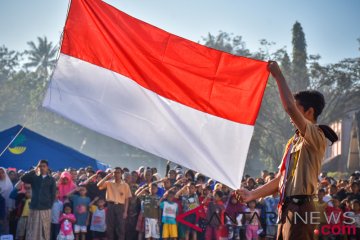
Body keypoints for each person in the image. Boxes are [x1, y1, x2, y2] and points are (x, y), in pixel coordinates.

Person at [238, 61, 332, 240]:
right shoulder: (293, 141)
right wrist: (252, 194)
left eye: (297, 108)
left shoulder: (316, 134)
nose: (290, 114)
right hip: (287, 208)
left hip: (302, 208)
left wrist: (278, 76)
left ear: (309, 112)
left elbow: (288, 107)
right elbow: (281, 179)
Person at [21, 159, 56, 240]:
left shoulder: (51, 179)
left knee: (45, 229)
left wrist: (49, 205)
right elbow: (23, 178)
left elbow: (53, 194)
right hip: (34, 207)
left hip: (46, 208)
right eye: (40, 166)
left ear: (47, 167)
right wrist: (34, 170)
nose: (42, 168)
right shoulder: (34, 177)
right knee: (32, 228)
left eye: (44, 166)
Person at [97, 167, 132, 240]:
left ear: (121, 173)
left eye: (118, 172)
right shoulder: (109, 182)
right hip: (110, 206)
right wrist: (107, 176)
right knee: (110, 227)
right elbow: (98, 185)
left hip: (120, 207)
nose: (116, 174)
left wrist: (125, 212)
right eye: (115, 172)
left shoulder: (125, 185)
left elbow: (127, 200)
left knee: (121, 228)